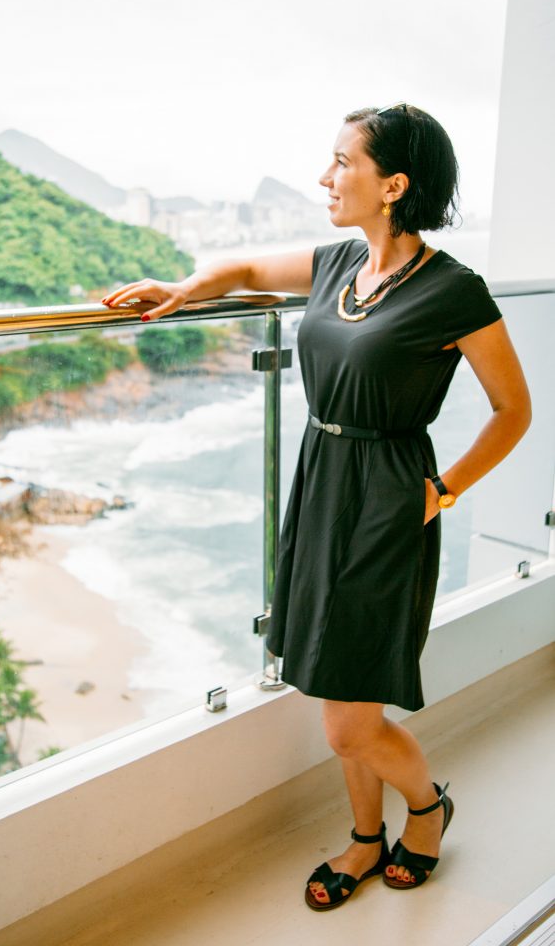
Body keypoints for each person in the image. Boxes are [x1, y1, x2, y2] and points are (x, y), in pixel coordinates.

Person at [101, 104, 531, 911]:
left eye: (341, 162)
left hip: (388, 493)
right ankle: (365, 840)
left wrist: (443, 491)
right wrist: (183, 290)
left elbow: (513, 410)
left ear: (392, 184)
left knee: (348, 719)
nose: (325, 177)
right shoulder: (337, 263)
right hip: (320, 477)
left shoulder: (453, 290)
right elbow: (241, 271)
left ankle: (428, 808)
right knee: (334, 679)